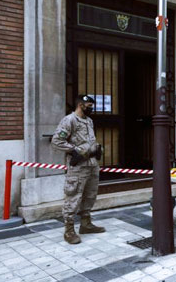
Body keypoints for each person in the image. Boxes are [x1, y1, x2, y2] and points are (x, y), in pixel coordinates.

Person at [51, 95, 105, 244]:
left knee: (90, 195)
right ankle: (69, 231)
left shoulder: (89, 121)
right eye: (89, 105)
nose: (91, 108)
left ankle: (86, 224)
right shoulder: (69, 120)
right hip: (78, 167)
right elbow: (56, 141)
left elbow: (89, 141)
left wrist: (97, 148)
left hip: (92, 165)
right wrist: (75, 150)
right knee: (73, 196)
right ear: (81, 105)